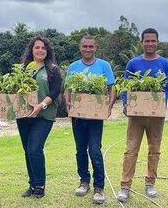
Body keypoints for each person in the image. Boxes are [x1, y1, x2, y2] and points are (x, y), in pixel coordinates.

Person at [116, 28, 168, 202]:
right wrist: (126, 103)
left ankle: (150, 183)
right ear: (141, 43)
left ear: (158, 42)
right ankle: (125, 186)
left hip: (156, 115)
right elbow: (127, 86)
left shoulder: (165, 64)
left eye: (153, 41)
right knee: (130, 150)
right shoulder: (133, 63)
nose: (150, 44)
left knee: (154, 150)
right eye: (146, 41)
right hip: (136, 115)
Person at [65, 35, 116, 204]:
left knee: (94, 150)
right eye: (85, 46)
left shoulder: (104, 65)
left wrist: (108, 106)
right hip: (78, 117)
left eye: (91, 46)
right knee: (80, 150)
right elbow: (68, 89)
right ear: (80, 48)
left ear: (95, 48)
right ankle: (84, 181)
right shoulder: (73, 67)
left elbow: (111, 88)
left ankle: (99, 187)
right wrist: (68, 105)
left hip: (95, 117)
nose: (88, 49)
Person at [18, 36, 62, 199]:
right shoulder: (23, 69)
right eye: (37, 47)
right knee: (27, 150)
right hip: (24, 116)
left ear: (47, 51)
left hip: (44, 115)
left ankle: (40, 184)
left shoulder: (53, 69)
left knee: (35, 149)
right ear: (32, 50)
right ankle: (32, 184)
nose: (40, 50)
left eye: (43, 48)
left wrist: (40, 106)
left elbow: (55, 91)